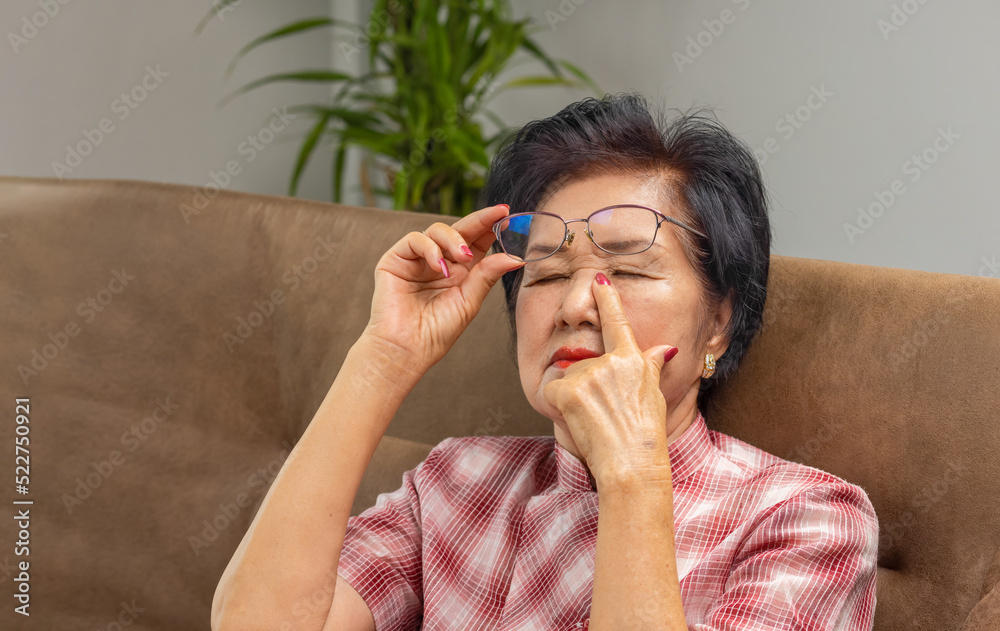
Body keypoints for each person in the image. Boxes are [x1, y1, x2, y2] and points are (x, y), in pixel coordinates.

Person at [211, 93, 879, 631]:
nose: (576, 304)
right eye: (548, 273)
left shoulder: (806, 519)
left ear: (719, 322)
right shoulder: (456, 482)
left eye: (626, 270)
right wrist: (384, 358)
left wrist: (631, 475)